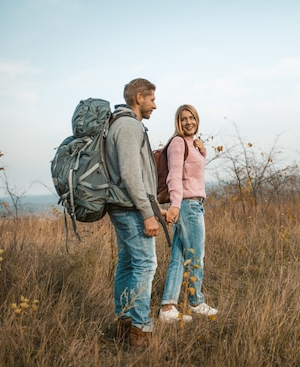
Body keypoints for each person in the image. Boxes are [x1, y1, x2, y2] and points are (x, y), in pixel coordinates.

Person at [105, 78, 162, 348]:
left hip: (125, 206)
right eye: (152, 99)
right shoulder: (129, 126)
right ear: (139, 97)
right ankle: (140, 331)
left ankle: (125, 324)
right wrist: (147, 213)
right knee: (145, 265)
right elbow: (130, 174)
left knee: (128, 264)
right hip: (130, 208)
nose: (155, 105)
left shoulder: (121, 124)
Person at [159, 104, 218, 323]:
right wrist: (174, 205)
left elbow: (193, 173)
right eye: (183, 119)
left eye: (191, 117)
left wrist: (202, 151)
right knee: (195, 256)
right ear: (178, 122)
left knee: (179, 257)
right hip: (187, 206)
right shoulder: (177, 143)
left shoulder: (192, 144)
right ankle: (196, 302)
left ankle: (167, 308)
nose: (188, 122)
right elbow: (174, 176)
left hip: (193, 204)